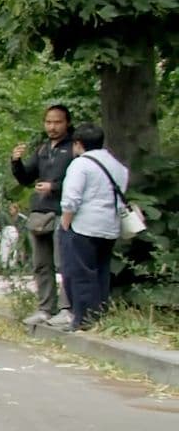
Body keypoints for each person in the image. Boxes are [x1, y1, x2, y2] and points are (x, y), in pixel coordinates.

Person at [58, 124, 131, 330]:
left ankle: (83, 318)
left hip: (83, 226)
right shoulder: (118, 167)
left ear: (78, 144)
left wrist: (65, 224)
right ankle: (99, 316)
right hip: (109, 226)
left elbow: (71, 199)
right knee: (101, 272)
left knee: (79, 273)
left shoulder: (80, 164)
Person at [12, 104, 76, 326]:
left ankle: (68, 309)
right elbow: (26, 178)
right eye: (48, 122)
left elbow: (80, 180)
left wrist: (54, 187)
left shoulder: (74, 148)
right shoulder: (42, 149)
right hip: (40, 212)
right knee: (41, 264)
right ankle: (45, 308)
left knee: (64, 263)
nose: (52, 127)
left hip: (63, 212)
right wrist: (16, 162)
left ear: (67, 123)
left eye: (57, 122)